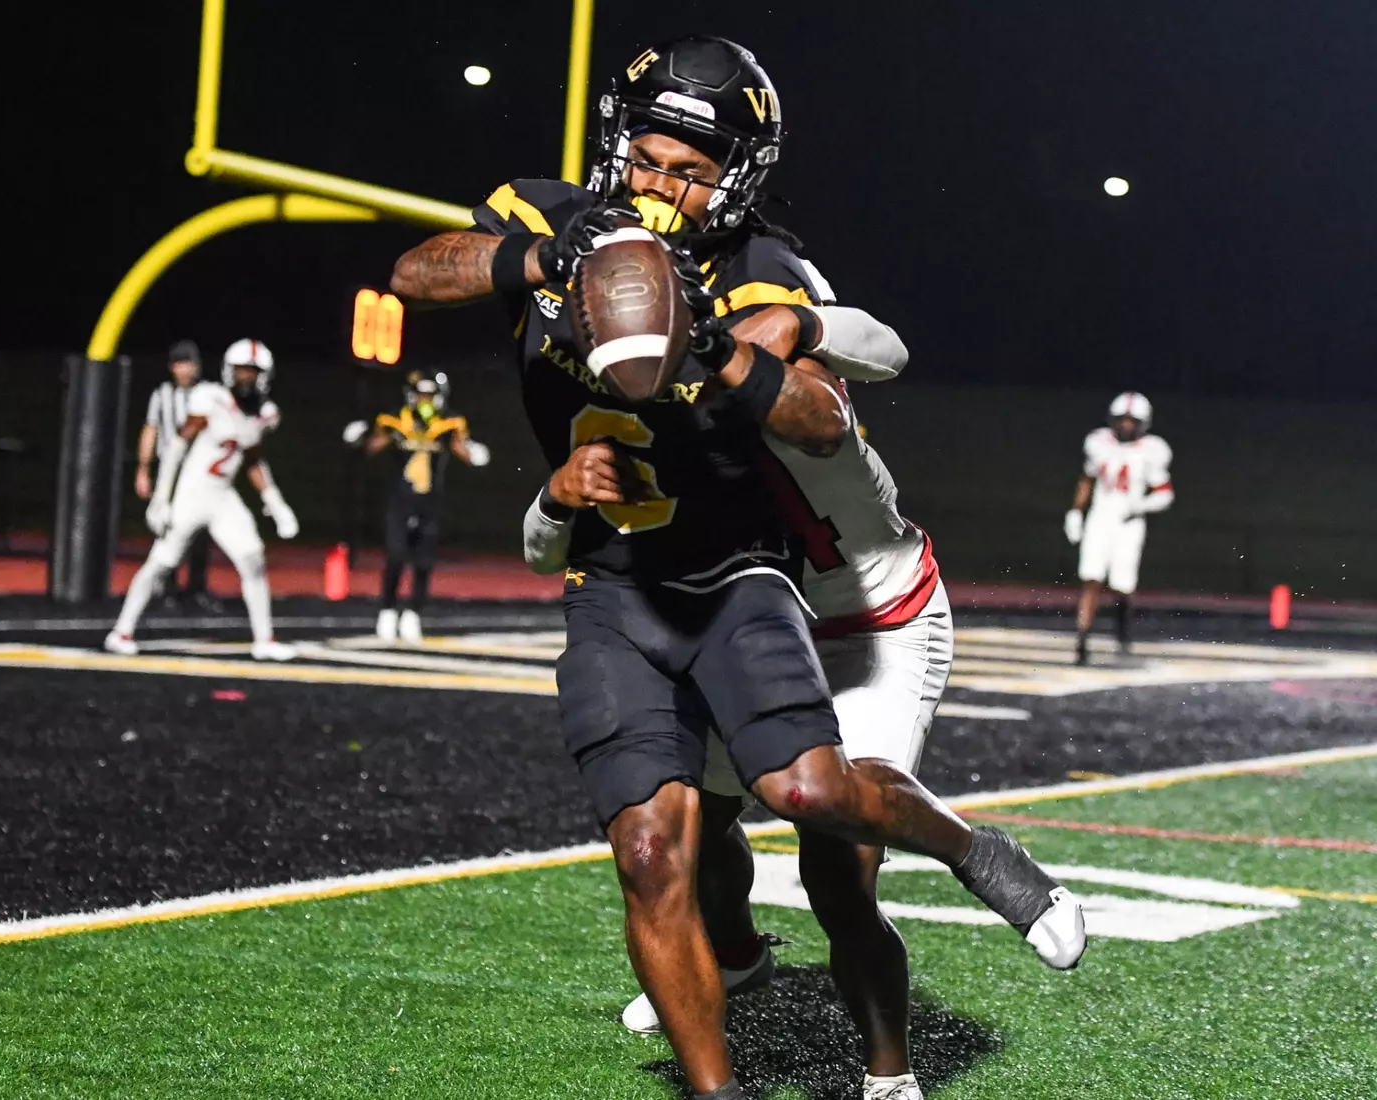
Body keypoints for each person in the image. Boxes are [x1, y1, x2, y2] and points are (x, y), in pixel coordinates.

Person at [391, 36, 1083, 1100]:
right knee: (670, 843)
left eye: (692, 169)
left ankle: (906, 1026)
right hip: (646, 582)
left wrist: (716, 340)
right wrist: (552, 255)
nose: (663, 187)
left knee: (826, 838)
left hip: (819, 593)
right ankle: (738, 971)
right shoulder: (554, 215)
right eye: (649, 159)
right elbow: (414, 272)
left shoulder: (763, 273)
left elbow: (835, 399)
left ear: (738, 180)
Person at [525, 302, 1084, 1100]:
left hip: (875, 624)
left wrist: (800, 321)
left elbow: (878, 354)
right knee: (699, 824)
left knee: (835, 856)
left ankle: (890, 1072)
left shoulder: (789, 386)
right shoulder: (655, 409)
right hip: (750, 620)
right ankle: (738, 956)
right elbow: (562, 530)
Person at [105, 339, 300, 661]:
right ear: (228, 371)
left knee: (252, 557)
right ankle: (121, 631)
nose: (246, 378)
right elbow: (178, 447)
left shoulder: (266, 414)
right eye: (241, 371)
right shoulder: (211, 399)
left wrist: (274, 501)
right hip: (192, 492)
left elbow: (252, 459)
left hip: (223, 496)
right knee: (161, 563)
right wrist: (162, 498)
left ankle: (264, 639)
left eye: (253, 372)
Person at [342, 370, 491, 643]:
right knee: (396, 556)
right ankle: (387, 610)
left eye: (429, 395)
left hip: (430, 500)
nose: (424, 400)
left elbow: (465, 452)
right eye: (420, 394)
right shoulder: (396, 419)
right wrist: (362, 439)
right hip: (400, 498)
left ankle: (413, 613)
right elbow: (372, 447)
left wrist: (474, 455)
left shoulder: (448, 424)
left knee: (423, 561)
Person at [1064, 391, 1174, 664]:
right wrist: (1076, 512)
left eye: (1131, 420)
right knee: (1091, 578)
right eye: (1121, 419)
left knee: (1122, 585)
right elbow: (1087, 478)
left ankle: (1122, 629)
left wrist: (1141, 505)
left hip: (1129, 522)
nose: (1125, 424)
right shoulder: (1098, 442)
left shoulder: (1153, 449)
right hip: (1100, 517)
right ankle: (1082, 639)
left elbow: (1165, 493)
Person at [135, 340, 214, 607]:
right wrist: (143, 469)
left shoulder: (207, 394)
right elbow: (150, 429)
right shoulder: (162, 395)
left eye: (188, 363)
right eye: (179, 363)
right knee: (167, 528)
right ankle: (167, 586)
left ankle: (197, 586)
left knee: (201, 530)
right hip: (170, 471)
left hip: (201, 470)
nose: (184, 369)